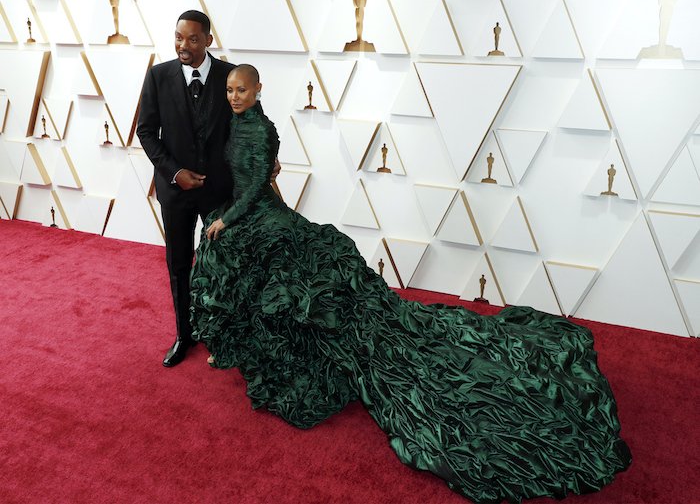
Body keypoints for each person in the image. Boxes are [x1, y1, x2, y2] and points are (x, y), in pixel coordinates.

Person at [190, 65, 631, 503]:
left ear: (258, 90)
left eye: (241, 90)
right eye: (230, 90)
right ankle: (248, 348)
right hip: (261, 212)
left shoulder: (263, 130)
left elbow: (254, 187)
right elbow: (260, 178)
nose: (233, 96)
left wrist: (229, 218)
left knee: (266, 270)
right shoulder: (235, 123)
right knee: (242, 264)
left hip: (255, 213)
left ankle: (282, 355)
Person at [137, 11, 280, 367]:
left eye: (192, 39)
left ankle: (224, 331)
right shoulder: (157, 76)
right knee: (178, 263)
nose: (183, 46)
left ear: (208, 41)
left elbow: (252, 120)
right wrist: (174, 173)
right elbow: (145, 131)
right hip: (176, 191)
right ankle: (184, 334)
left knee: (225, 264)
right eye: (178, 38)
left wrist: (269, 157)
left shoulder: (229, 76)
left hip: (220, 190)